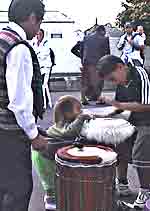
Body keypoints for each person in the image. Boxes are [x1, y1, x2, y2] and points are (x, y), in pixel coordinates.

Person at [32, 95, 134, 211]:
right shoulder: (62, 126)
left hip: (45, 155)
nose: (81, 112)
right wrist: (81, 118)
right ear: (67, 112)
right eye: (78, 109)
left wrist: (109, 115)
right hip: (46, 158)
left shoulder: (64, 123)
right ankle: (54, 202)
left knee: (56, 187)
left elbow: (90, 118)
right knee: (54, 186)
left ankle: (54, 202)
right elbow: (69, 132)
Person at [0, 0, 49, 210]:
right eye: (39, 22)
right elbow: (19, 101)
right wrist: (33, 135)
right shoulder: (18, 48)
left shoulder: (2, 38)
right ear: (31, 17)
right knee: (18, 190)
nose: (38, 29)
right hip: (9, 133)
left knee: (3, 188)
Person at [96, 54, 150, 209]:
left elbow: (147, 104)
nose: (114, 83)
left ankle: (146, 191)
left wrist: (117, 104)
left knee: (141, 149)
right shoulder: (122, 82)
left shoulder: (140, 75)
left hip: (147, 121)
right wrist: (103, 115)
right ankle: (122, 183)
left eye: (113, 79)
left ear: (121, 67)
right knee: (117, 139)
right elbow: (120, 107)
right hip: (134, 120)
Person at [81, 25, 110, 105]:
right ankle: (98, 99)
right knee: (98, 81)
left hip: (86, 62)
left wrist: (83, 60)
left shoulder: (86, 37)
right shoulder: (104, 39)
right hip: (97, 63)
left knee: (86, 81)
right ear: (102, 31)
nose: (105, 33)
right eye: (104, 32)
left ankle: (83, 99)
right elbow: (107, 53)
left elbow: (82, 50)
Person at [33, 28, 53, 109]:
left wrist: (37, 54)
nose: (38, 36)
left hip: (45, 68)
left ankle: (44, 104)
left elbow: (43, 55)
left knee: (43, 85)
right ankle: (37, 103)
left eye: (40, 34)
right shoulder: (34, 43)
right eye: (37, 34)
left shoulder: (46, 43)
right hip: (38, 67)